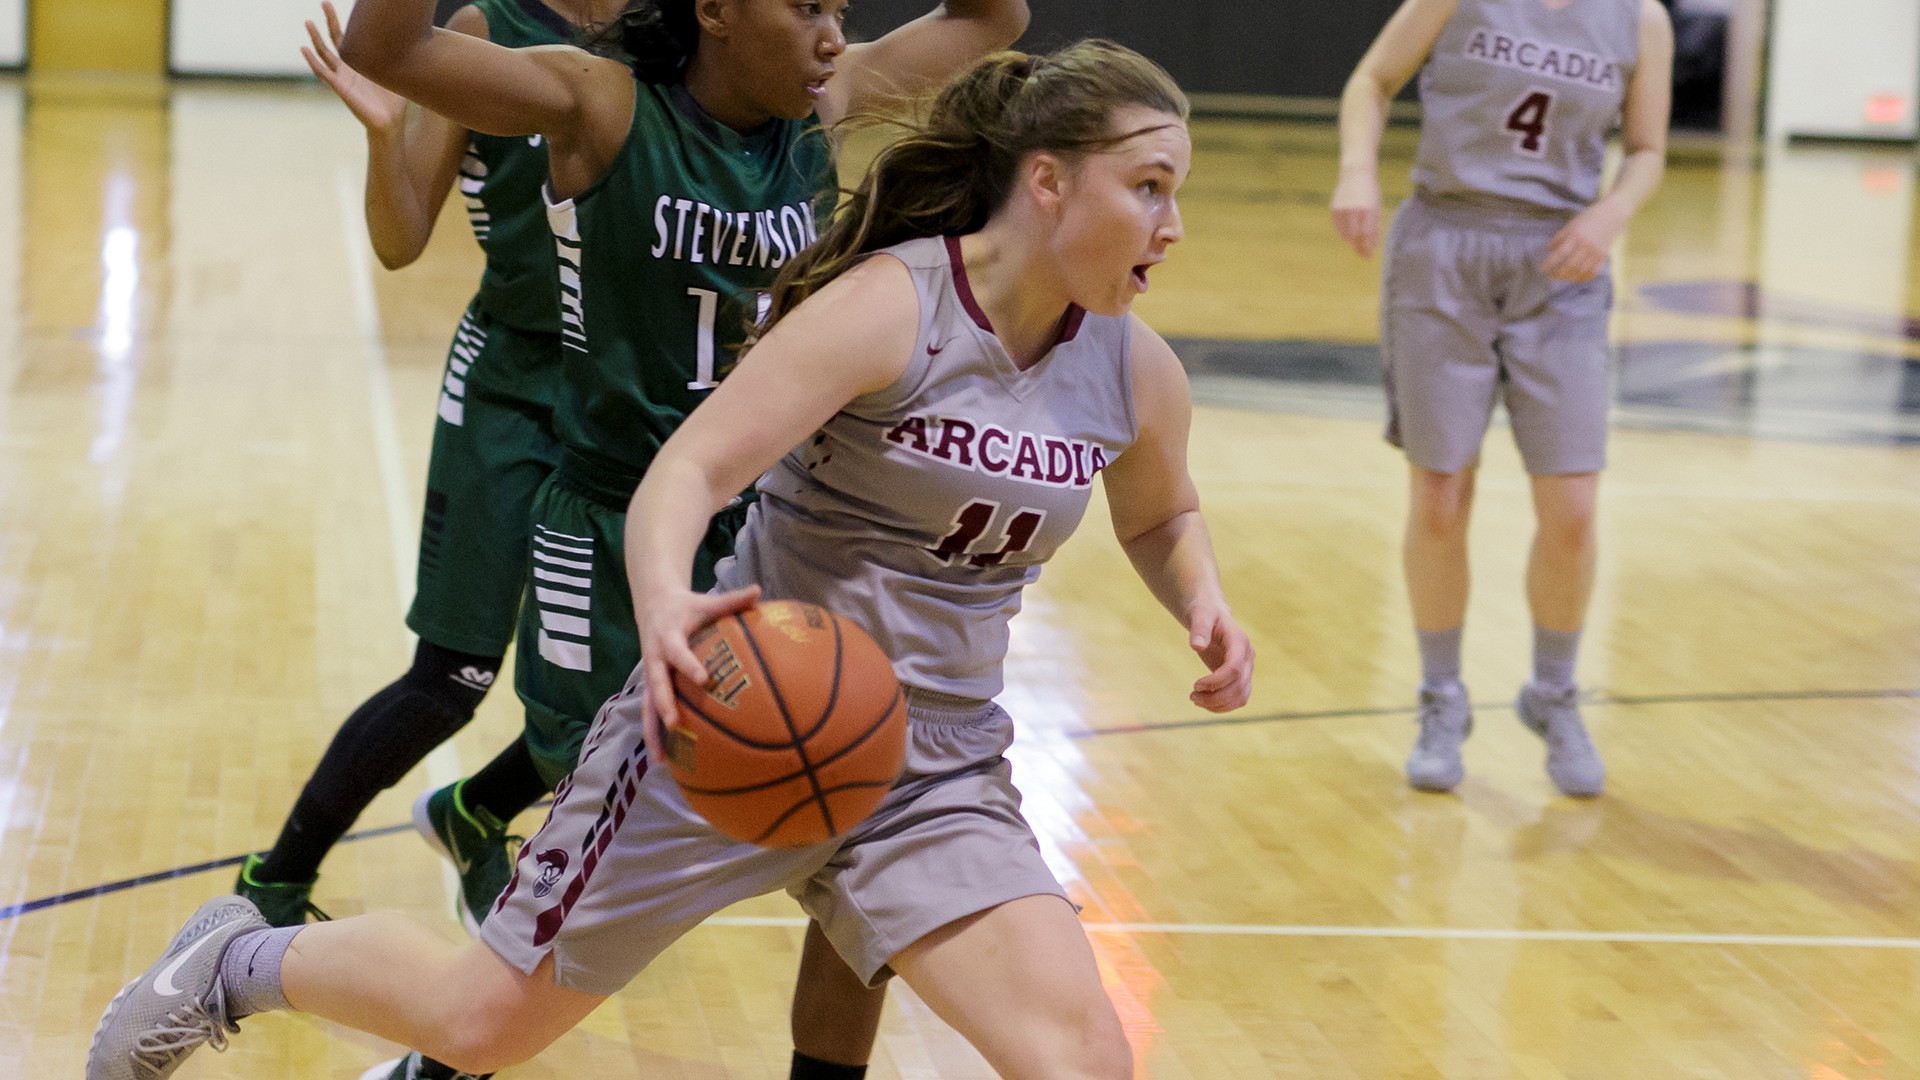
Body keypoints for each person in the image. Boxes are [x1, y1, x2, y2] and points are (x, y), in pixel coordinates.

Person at [86, 39, 1253, 1080]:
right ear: (1046, 181)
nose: (1174, 225)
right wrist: (665, 613)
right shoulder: (891, 310)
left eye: (1176, 194)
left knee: (1086, 1060)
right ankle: (236, 963)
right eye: (1147, 188)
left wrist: (1199, 598)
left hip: (933, 771)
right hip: (734, 722)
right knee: (479, 1023)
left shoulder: (1135, 372)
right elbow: (686, 473)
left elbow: (1160, 516)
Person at [238, 0, 581, 937]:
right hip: (510, 381)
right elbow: (400, 242)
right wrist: (389, 133)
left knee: (621, 688)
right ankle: (277, 876)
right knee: (455, 676)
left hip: (625, 393)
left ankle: (478, 810)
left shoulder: (667, 36)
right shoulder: (482, 29)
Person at [1332, 0, 1672, 796]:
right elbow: (1372, 81)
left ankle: (1552, 692)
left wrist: (1612, 213)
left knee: (1574, 509)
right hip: (1446, 246)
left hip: (1563, 260)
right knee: (1443, 493)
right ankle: (1441, 695)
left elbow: (1649, 149)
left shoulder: (1638, 19)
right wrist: (1357, 169)